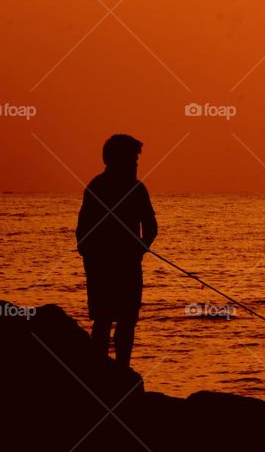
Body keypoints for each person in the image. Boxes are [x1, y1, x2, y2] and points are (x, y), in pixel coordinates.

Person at [75, 134, 157, 367]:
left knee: (124, 320)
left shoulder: (130, 188)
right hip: (105, 266)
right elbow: (83, 232)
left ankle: (120, 369)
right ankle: (104, 370)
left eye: (136, 160)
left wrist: (140, 249)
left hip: (124, 264)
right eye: (132, 160)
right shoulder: (100, 188)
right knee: (105, 320)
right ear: (115, 160)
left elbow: (151, 227)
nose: (136, 164)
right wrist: (93, 255)